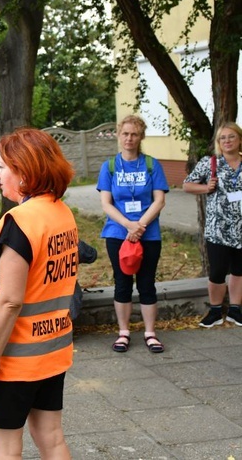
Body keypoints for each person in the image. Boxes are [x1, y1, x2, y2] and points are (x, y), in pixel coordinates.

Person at [0, 127, 77, 458]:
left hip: (12, 360)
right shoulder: (60, 212)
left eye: (3, 167)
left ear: (25, 174)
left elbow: (10, 299)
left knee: (5, 448)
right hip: (51, 351)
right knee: (52, 437)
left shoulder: (21, 220)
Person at [97, 115, 169, 353]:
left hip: (148, 234)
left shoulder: (152, 164)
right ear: (119, 135)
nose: (129, 138)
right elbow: (106, 204)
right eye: (125, 133)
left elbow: (159, 200)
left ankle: (150, 333)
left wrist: (140, 226)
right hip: (118, 233)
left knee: (147, 283)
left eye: (134, 134)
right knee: (122, 283)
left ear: (141, 137)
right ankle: (124, 332)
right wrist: (129, 225)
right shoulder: (109, 167)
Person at [183, 122, 242, 328]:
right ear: (218, 142)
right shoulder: (211, 163)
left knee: (239, 270)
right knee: (217, 272)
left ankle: (236, 309)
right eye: (222, 138)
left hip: (241, 229)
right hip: (218, 229)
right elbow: (187, 185)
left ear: (239, 139)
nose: (227, 141)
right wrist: (205, 188)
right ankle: (216, 310)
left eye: (231, 137)